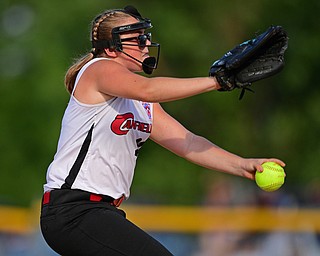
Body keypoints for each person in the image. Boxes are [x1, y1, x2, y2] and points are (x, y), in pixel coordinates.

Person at [40, 5, 286, 256]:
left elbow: (187, 142)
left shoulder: (142, 104)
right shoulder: (98, 69)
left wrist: (242, 165)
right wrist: (216, 82)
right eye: (137, 38)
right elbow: (149, 89)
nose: (146, 43)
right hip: (73, 211)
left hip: (99, 212)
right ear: (112, 46)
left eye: (145, 36)